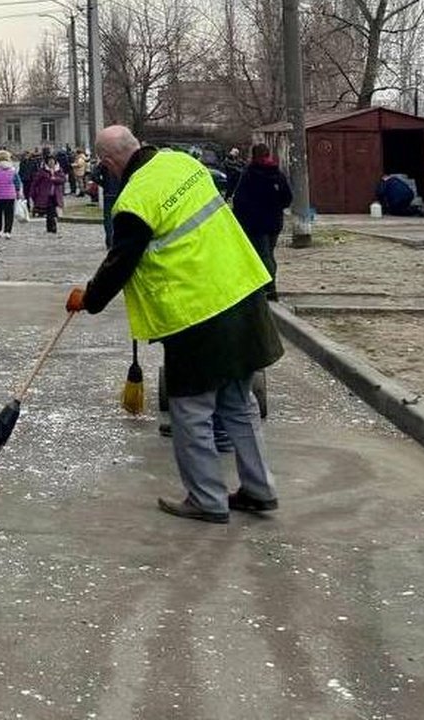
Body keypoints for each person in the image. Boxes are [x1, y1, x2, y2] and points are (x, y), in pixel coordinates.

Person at [66, 125, 281, 524]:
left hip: (196, 312)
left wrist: (89, 299)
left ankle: (207, 499)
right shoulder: (182, 163)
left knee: (192, 409)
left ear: (110, 162)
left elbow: (120, 262)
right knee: (238, 402)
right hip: (242, 289)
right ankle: (259, 489)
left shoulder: (134, 199)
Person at [231, 143, 292, 300]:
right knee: (269, 254)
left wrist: (239, 218)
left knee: (263, 254)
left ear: (253, 155)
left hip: (255, 223)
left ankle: (269, 289)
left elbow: (239, 200)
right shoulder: (277, 173)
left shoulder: (250, 174)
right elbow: (287, 198)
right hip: (274, 222)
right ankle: (268, 287)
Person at [90, 158, 123, 249]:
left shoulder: (104, 162)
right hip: (120, 193)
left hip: (108, 193)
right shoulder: (121, 161)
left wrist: (103, 184)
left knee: (108, 219)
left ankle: (110, 242)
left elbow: (93, 175)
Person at [29, 151, 65, 234]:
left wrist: (55, 179)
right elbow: (35, 183)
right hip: (46, 195)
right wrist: (33, 193)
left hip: (56, 195)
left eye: (52, 161)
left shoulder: (59, 170)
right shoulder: (42, 171)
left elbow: (63, 180)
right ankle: (51, 227)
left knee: (53, 212)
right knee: (50, 212)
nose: (51, 163)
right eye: (49, 161)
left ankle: (52, 226)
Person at [18, 149, 39, 214]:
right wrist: (21, 178)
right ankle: (27, 207)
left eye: (27, 155)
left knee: (33, 194)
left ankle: (35, 207)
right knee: (26, 195)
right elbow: (20, 171)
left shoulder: (33, 162)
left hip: (32, 180)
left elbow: (36, 171)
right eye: (25, 155)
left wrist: (35, 178)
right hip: (25, 180)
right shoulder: (22, 162)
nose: (26, 156)